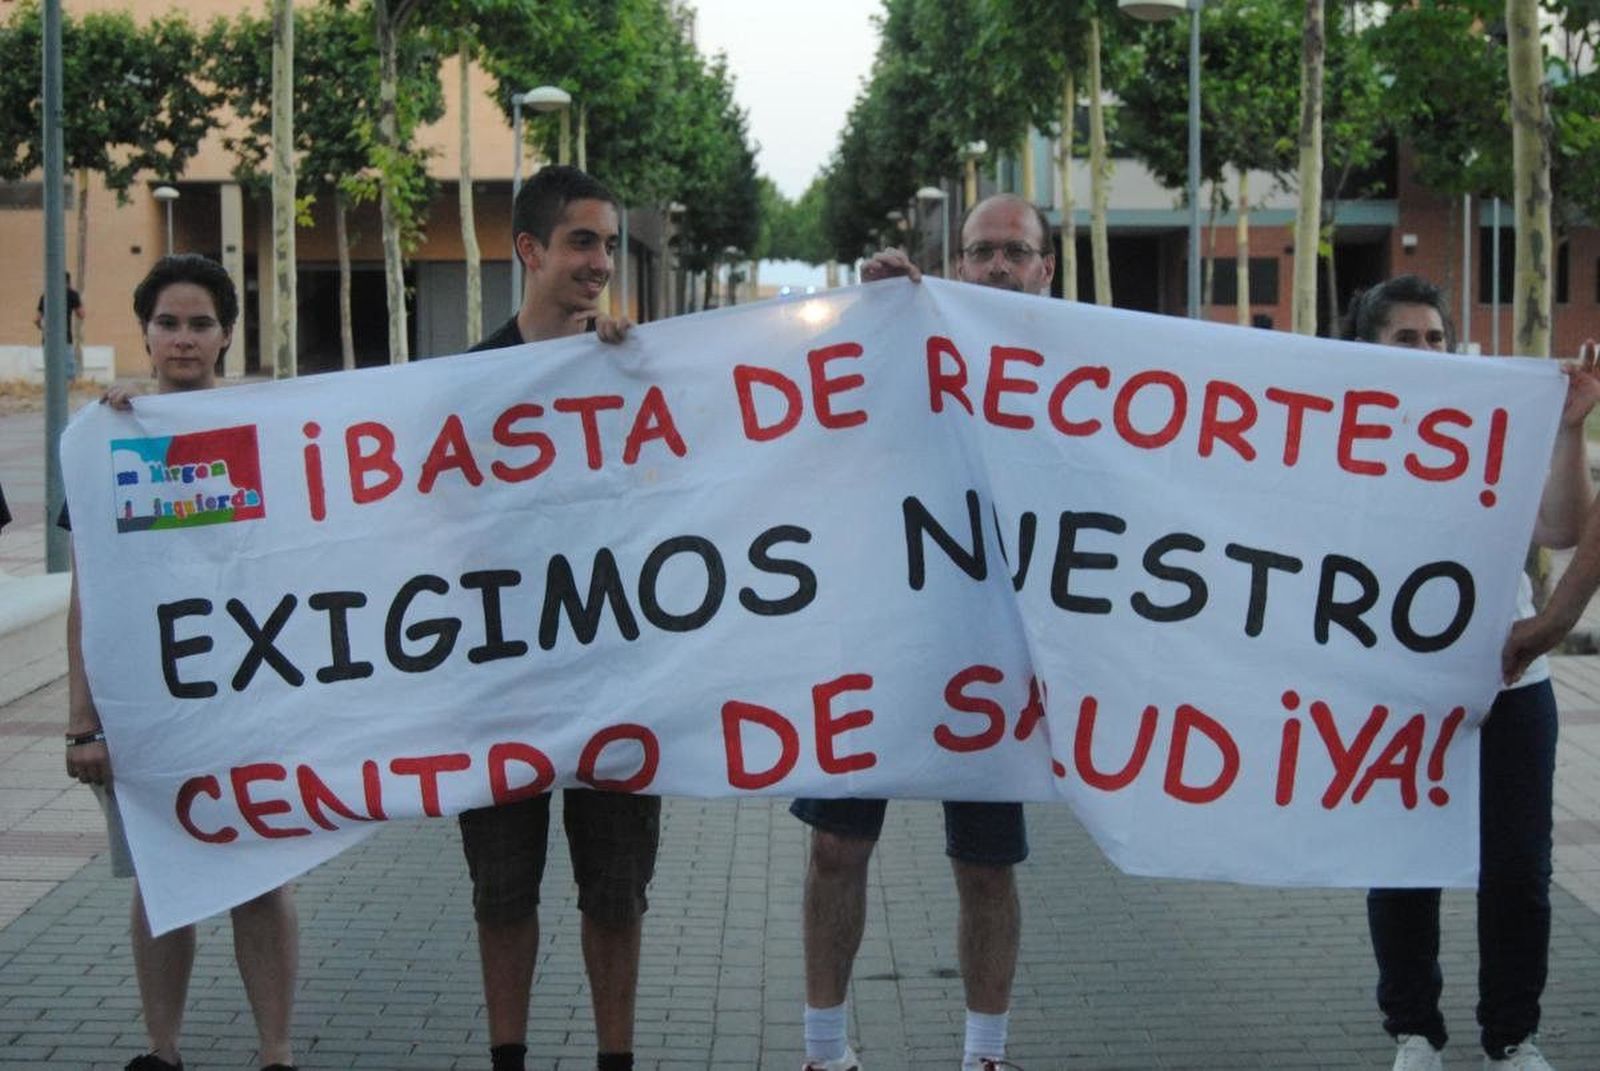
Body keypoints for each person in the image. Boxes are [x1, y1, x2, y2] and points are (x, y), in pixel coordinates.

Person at [793, 193, 1054, 1071]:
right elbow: (819, 417)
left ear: (1044, 269)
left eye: (1015, 251)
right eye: (980, 252)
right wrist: (872, 311)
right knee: (836, 847)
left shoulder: (1076, 372)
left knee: (986, 866)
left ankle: (986, 1053)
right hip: (880, 634)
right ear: (956, 263)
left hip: (988, 655)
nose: (997, 267)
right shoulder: (903, 340)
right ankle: (824, 1051)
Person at [1345, 275, 1599, 1071]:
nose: (1424, 352)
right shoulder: (1333, 436)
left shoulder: (1494, 423)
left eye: (1434, 337)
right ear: (1366, 352)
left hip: (1507, 682)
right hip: (1395, 685)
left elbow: (1559, 526)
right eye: (1403, 339)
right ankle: (1414, 1031)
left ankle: (1513, 1035)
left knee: (1519, 870)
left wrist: (1564, 432)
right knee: (1402, 864)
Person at [63, 254, 299, 1071]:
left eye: (201, 323)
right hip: (149, 707)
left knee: (260, 875)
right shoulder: (104, 443)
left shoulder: (263, 431)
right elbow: (89, 591)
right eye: (168, 322)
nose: (185, 338)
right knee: (161, 879)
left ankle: (275, 1052)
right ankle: (161, 1049)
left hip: (246, 698)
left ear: (228, 335)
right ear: (145, 333)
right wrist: (81, 719)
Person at [455, 164, 651, 1071]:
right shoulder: (464, 386)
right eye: (583, 241)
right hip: (502, 683)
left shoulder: (632, 372)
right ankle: (509, 1057)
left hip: (615, 678)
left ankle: (616, 1057)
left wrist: (634, 364)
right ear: (529, 250)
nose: (600, 261)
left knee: (617, 893)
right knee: (502, 892)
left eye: (609, 244)